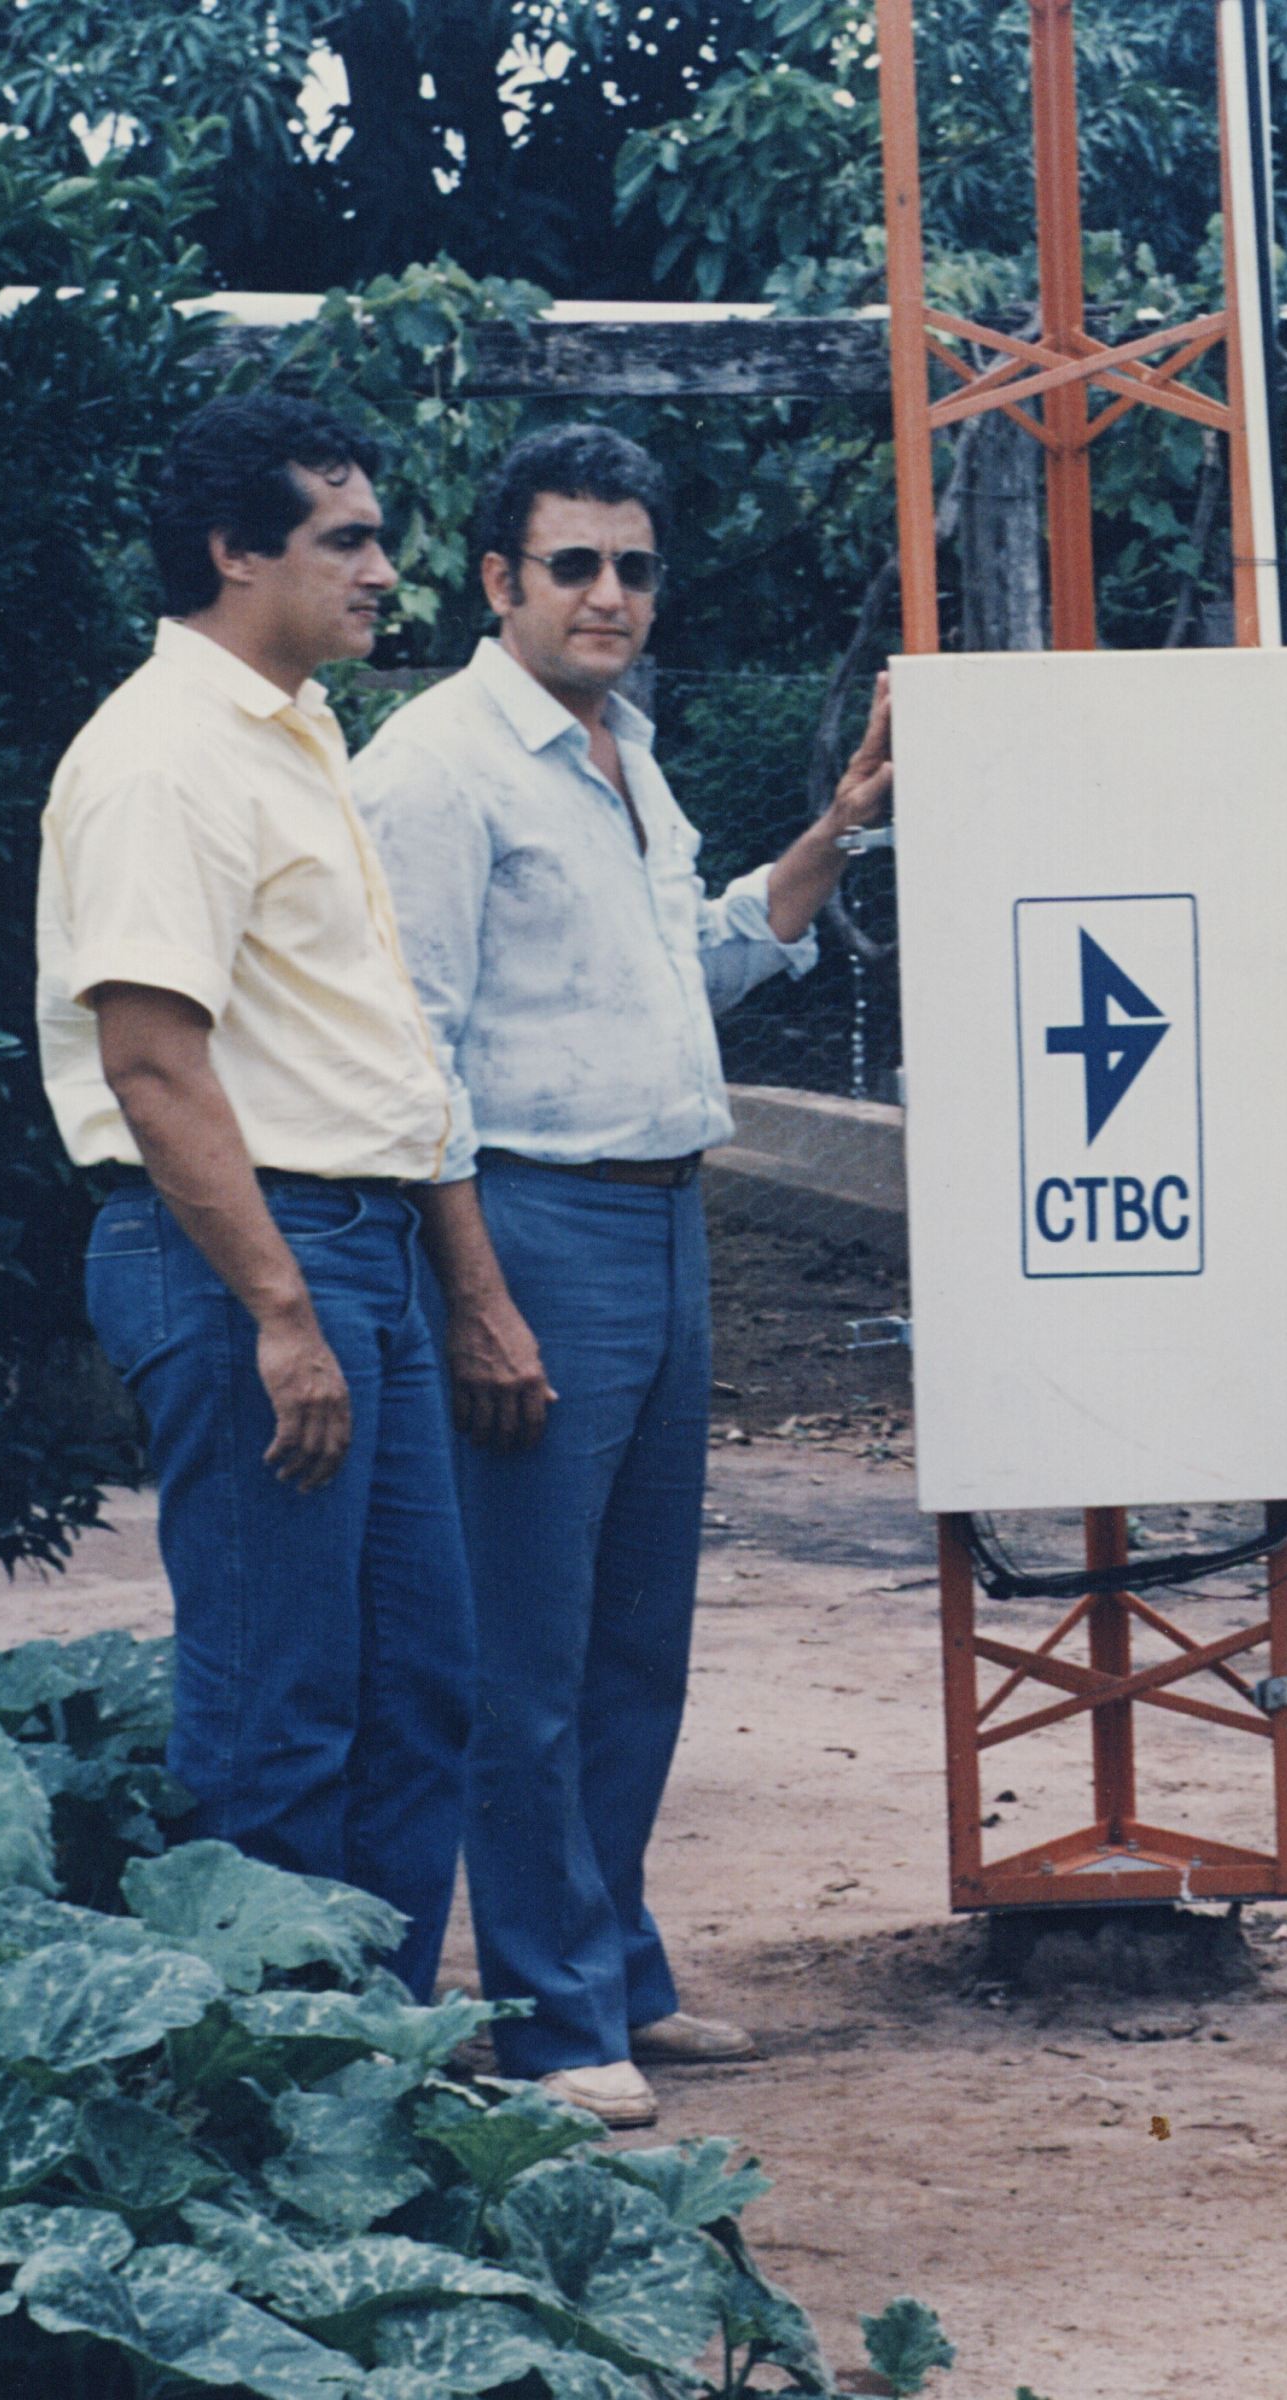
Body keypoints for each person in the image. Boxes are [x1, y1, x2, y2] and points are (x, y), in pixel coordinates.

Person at [352, 425, 896, 2130]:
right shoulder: (436, 769)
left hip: (664, 1222)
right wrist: (476, 1295)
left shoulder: (622, 751)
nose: (608, 594)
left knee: (632, 1644)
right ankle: (546, 2016)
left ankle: (618, 1968)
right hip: (527, 1224)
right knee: (520, 1653)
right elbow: (413, 1056)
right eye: (572, 564)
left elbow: (696, 965)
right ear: (497, 579)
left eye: (634, 566)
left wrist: (842, 827)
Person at [35, 394, 472, 1992]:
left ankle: (380, 2059)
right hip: (248, 1259)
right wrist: (281, 1310)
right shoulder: (161, 758)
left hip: (357, 1249)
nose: (383, 570)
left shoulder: (290, 733)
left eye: (378, 538)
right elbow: (152, 1064)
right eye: (346, 540)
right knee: (277, 1705)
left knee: (420, 1687)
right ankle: (266, 2084)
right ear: (235, 552)